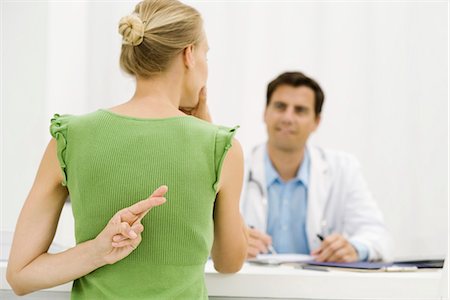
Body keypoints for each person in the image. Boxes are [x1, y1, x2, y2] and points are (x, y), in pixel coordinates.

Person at [6, 0, 248, 298]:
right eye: (206, 54)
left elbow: (20, 275)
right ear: (188, 55)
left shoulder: (69, 138)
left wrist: (97, 251)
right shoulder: (222, 147)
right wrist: (210, 133)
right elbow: (229, 261)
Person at [241, 71, 392, 262]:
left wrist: (354, 248)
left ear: (316, 122)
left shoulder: (343, 168)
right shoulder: (234, 167)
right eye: (280, 107)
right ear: (265, 113)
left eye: (300, 110)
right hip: (249, 288)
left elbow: (378, 235)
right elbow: (199, 235)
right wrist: (227, 245)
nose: (288, 118)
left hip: (318, 288)